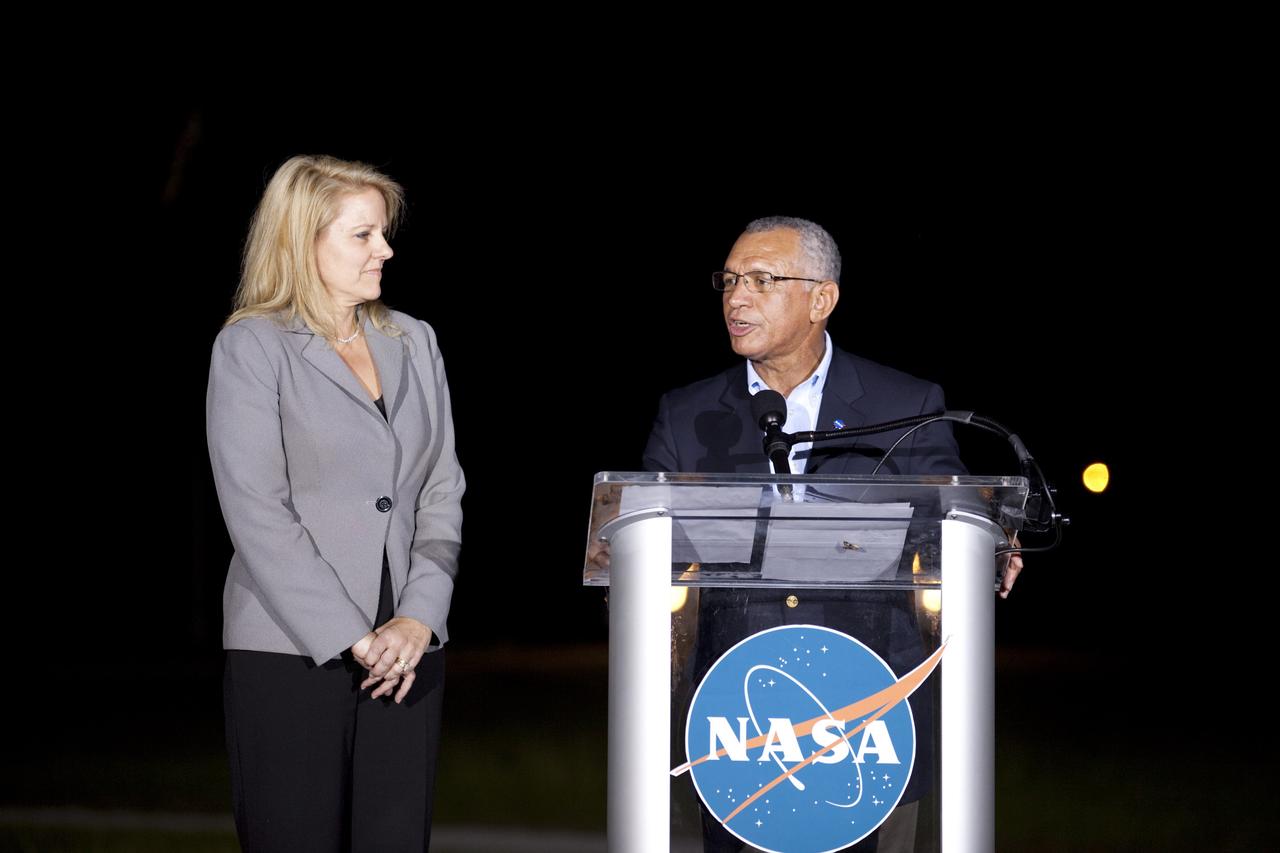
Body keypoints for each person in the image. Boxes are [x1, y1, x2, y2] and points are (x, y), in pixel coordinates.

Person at [643, 216, 1022, 852]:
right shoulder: (687, 415)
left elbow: (958, 518)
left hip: (874, 718)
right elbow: (641, 541)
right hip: (740, 722)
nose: (736, 299)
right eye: (730, 280)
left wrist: (991, 540)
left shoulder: (904, 402)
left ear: (822, 298)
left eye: (762, 281)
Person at [206, 154, 464, 852]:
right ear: (303, 240)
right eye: (363, 235)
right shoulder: (251, 347)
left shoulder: (415, 339)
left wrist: (417, 617)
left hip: (408, 653)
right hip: (291, 651)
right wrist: (355, 634)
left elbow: (442, 487)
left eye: (383, 233)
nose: (385, 248)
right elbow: (258, 509)